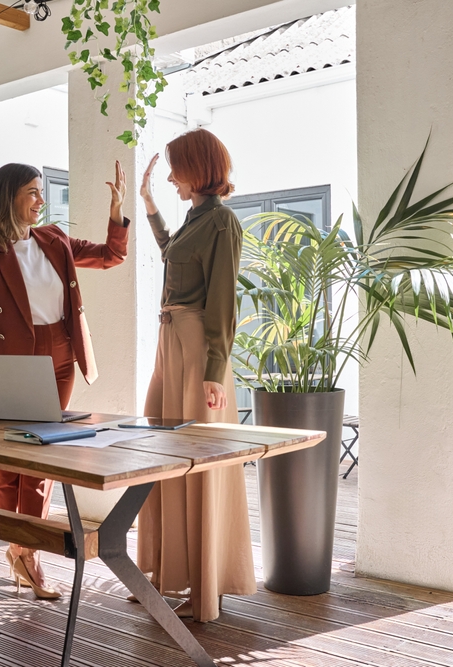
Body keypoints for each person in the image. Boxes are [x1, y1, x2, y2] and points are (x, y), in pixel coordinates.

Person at [0, 161, 129, 599]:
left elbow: (111, 256)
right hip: (12, 360)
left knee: (42, 459)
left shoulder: (54, 238)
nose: (41, 200)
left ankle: (28, 551)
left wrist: (116, 212)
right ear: (10, 196)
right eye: (33, 192)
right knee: (11, 462)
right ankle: (20, 546)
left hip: (60, 356)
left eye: (42, 192)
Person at [135, 129, 255, 623]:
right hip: (170, 345)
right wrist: (147, 203)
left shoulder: (223, 223)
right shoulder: (196, 218)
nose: (169, 178)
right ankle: (167, 573)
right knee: (161, 451)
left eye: (175, 169)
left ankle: (208, 589)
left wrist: (214, 371)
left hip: (198, 350)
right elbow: (172, 252)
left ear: (198, 168)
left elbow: (223, 300)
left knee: (197, 461)